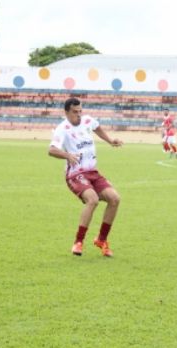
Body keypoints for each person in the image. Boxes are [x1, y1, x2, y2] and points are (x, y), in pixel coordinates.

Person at [49, 97, 123, 257]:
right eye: (75, 112)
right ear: (67, 112)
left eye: (80, 111)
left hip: (92, 172)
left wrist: (110, 140)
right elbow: (52, 150)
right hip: (76, 174)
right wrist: (67, 155)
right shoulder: (62, 128)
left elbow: (97, 128)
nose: (79, 114)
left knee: (115, 199)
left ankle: (101, 240)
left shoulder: (88, 120)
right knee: (93, 200)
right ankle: (78, 242)